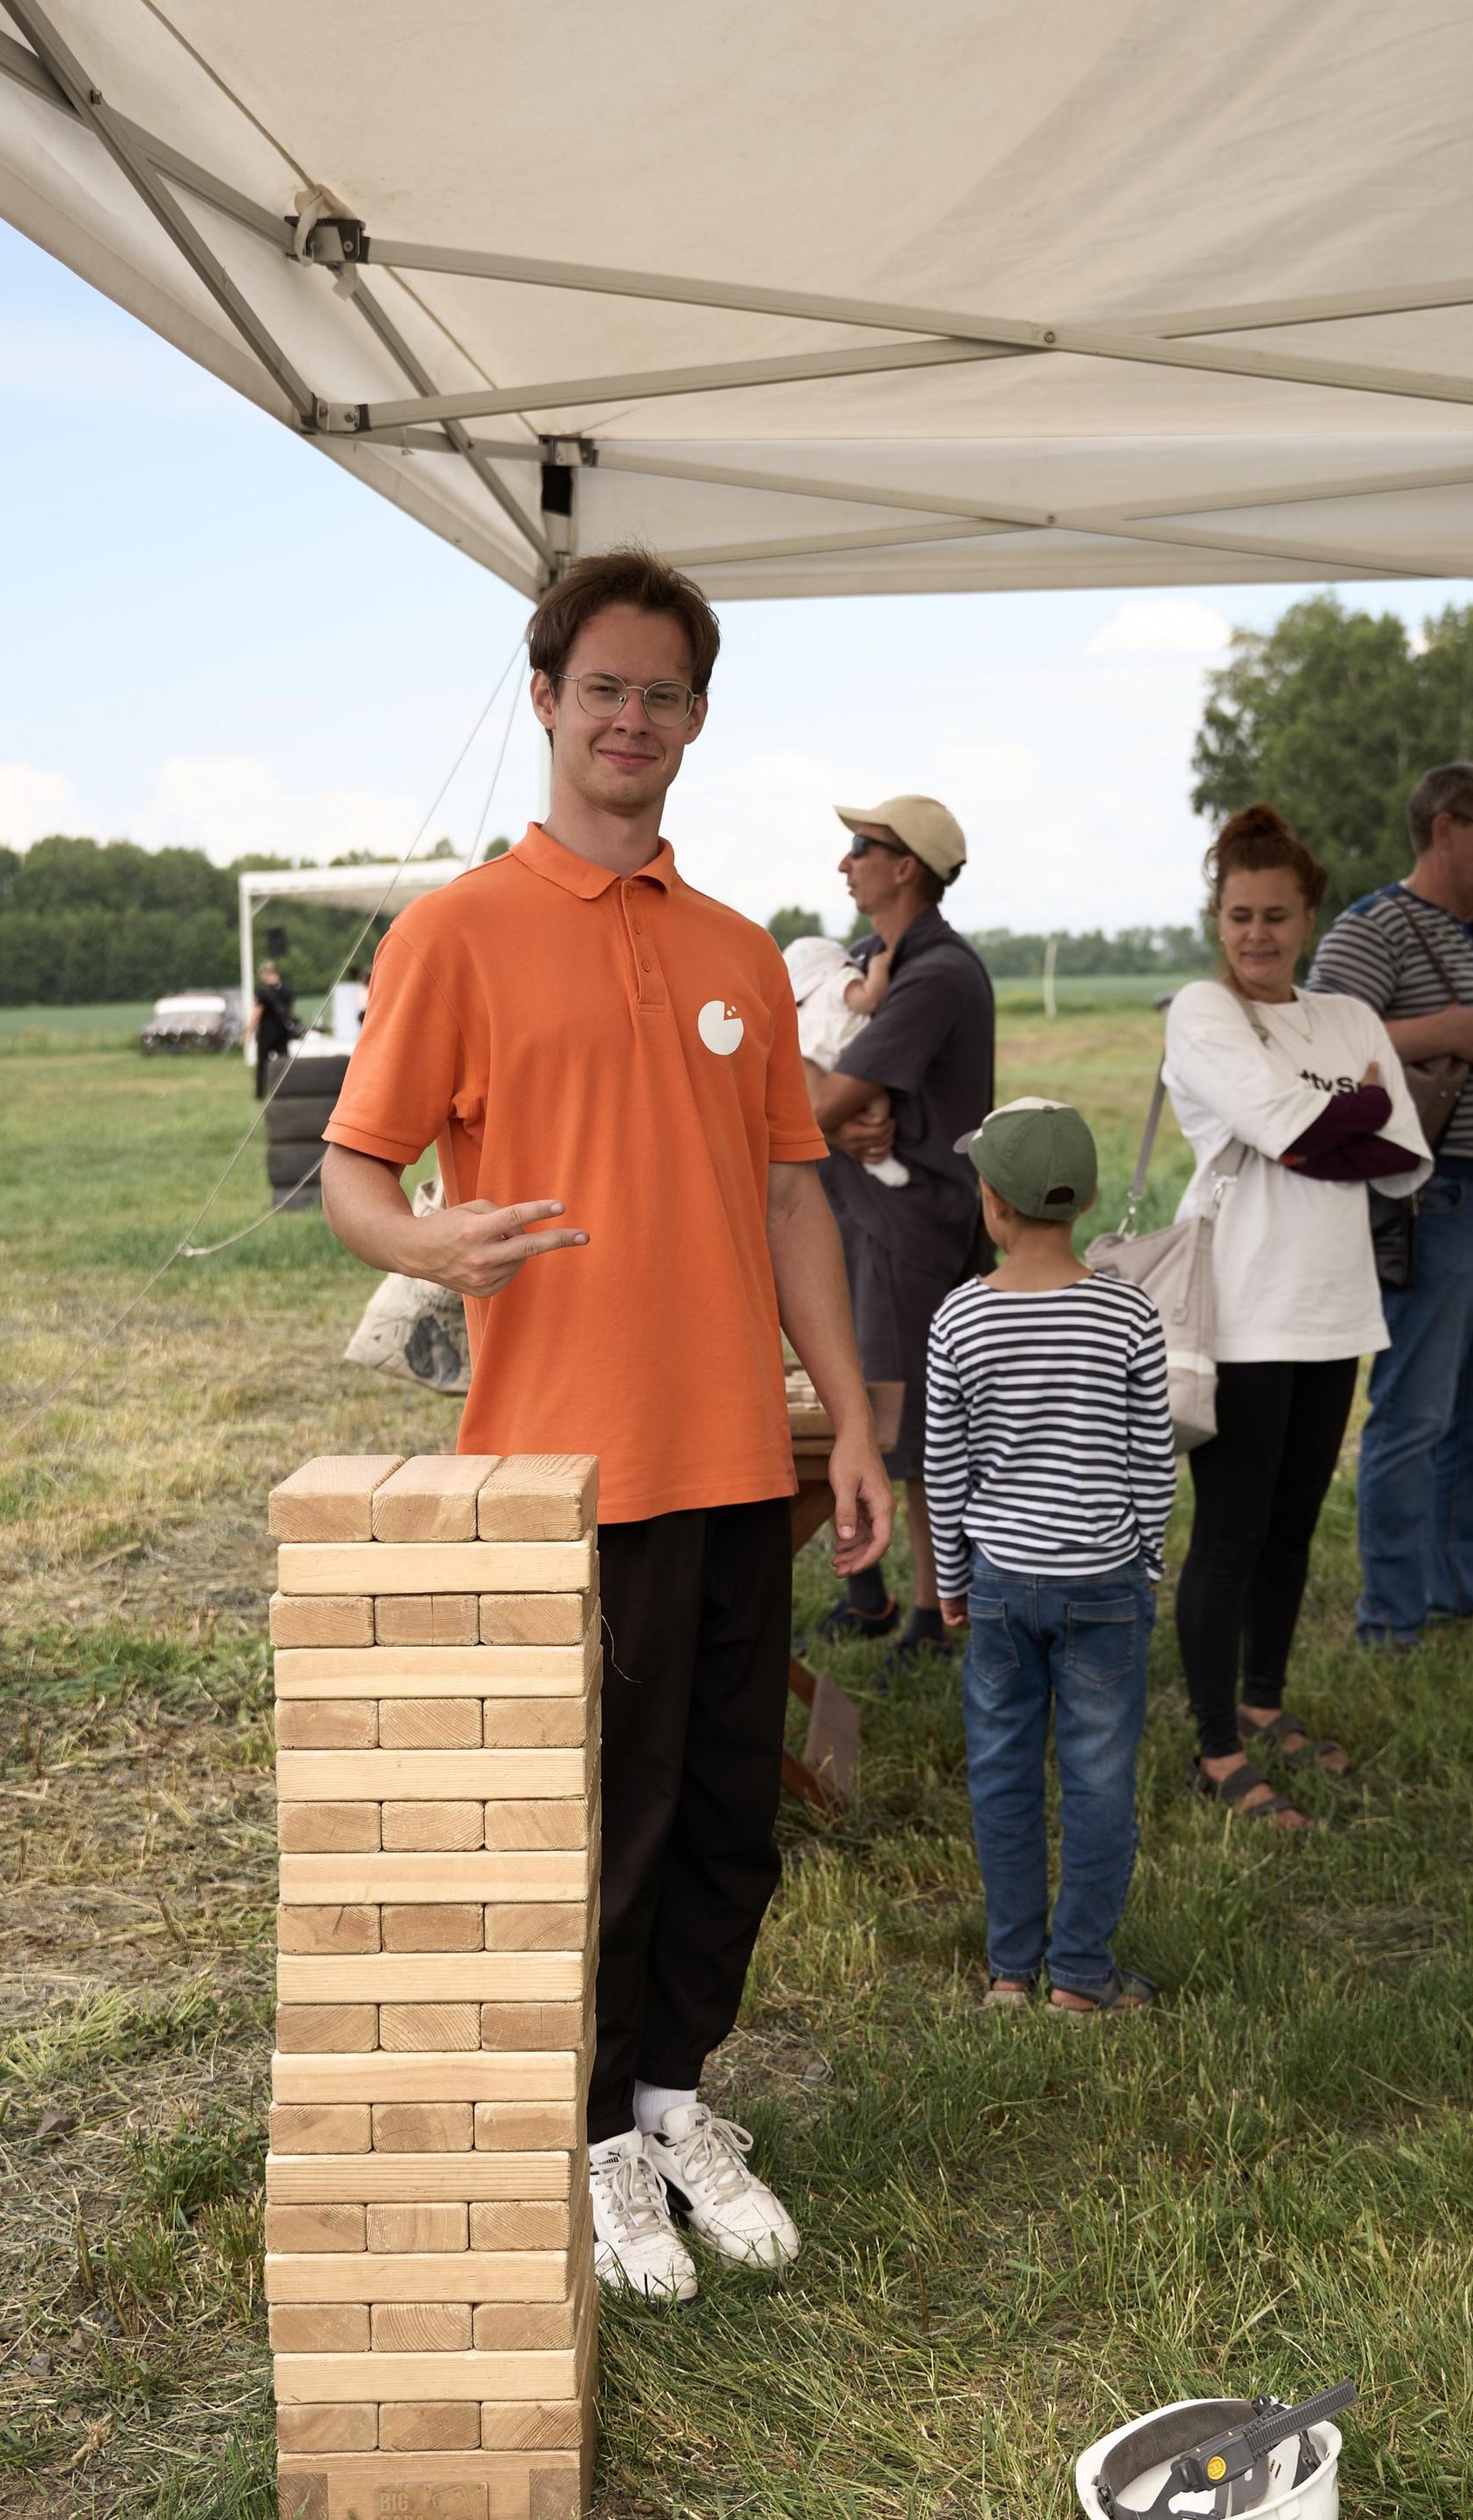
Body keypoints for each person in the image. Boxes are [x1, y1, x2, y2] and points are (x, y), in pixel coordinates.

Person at [318, 549, 894, 2307]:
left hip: (734, 1450)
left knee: (732, 1811)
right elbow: (352, 1166)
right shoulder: (457, 933)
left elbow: (795, 1198)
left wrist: (852, 1424)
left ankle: (672, 2106)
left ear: (695, 720)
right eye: (602, 689)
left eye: (663, 694)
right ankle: (584, 2146)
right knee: (611, 1822)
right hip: (566, 1467)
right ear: (545, 700)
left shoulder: (735, 952)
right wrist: (421, 1236)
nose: (630, 718)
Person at [1162, 803, 1430, 1820]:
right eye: (1239, 914)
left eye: (1276, 915)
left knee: (1292, 1530)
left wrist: (1335, 1125)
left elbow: (1404, 1162)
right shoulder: (1202, 1010)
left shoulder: (1349, 1019)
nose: (1257, 935)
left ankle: (1265, 1701)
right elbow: (1281, 1130)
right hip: (1241, 1310)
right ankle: (1215, 1746)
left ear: (1308, 916)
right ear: (1217, 915)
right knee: (1230, 1532)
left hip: (1333, 1308)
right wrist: (1348, 1111)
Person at [926, 1101, 1176, 2015]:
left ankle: (1007, 1972)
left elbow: (944, 1469)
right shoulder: (1128, 1313)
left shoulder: (958, 1318)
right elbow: (1153, 1455)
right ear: (1086, 1199)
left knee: (1001, 1773)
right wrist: (1145, 1558)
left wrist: (951, 1578)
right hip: (1103, 1583)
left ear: (990, 1203)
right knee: (1099, 1777)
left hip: (999, 1584)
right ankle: (1079, 1975)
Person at [1307, 763, 1473, 1648]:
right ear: (1446, 829)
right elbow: (1315, 1045)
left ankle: (1464, 1590)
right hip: (1439, 1200)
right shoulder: (1374, 927)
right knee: (1415, 1415)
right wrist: (1433, 1033)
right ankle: (1393, 1617)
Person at [805, 796, 996, 1662]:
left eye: (860, 847)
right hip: (860, 1214)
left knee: (907, 1421)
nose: (845, 864)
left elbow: (823, 1098)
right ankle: (867, 1592)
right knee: (863, 1401)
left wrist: (830, 1116)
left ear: (905, 866)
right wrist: (830, 1120)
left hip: (909, 1225)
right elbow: (820, 1101)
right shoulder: (869, 958)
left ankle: (929, 1614)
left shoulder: (936, 975)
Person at [780, 932, 908, 1186]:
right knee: (877, 1102)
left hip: (813, 1060)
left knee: (830, 1110)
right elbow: (869, 999)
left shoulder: (803, 1002)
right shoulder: (842, 979)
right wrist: (878, 969)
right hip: (848, 1056)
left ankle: (854, 1148)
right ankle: (877, 1158)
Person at [250, 958, 301, 1100]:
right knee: (284, 1063)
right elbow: (290, 1010)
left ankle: (260, 1094)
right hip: (283, 1033)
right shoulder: (286, 990)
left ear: (266, 974)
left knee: (262, 1065)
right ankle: (285, 1090)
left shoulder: (262, 992)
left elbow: (256, 1014)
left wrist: (248, 1031)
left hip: (266, 1033)